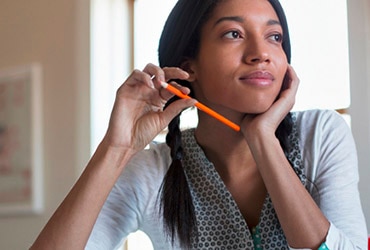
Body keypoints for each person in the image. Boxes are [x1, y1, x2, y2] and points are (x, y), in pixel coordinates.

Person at [31, 0, 368, 249]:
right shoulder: (153, 172)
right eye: (234, 33)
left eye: (274, 37)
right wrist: (116, 149)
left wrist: (263, 140)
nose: (261, 52)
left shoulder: (321, 135)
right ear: (188, 67)